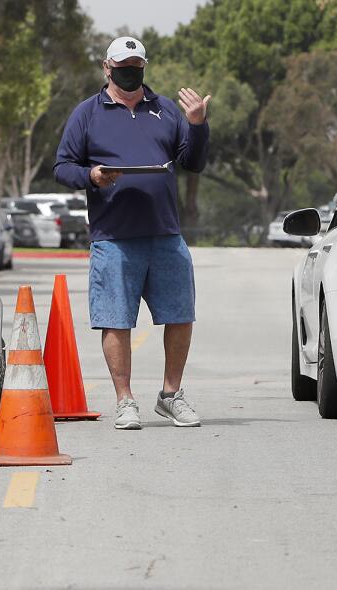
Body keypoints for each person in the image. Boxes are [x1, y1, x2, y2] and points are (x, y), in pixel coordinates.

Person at [53, 36, 210, 430]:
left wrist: (197, 125)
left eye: (137, 64)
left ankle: (171, 395)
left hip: (165, 235)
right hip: (113, 238)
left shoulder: (166, 110)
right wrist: (92, 175)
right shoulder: (88, 113)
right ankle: (125, 401)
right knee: (116, 320)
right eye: (123, 64)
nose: (130, 71)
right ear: (107, 67)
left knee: (180, 315)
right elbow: (62, 167)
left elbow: (193, 162)